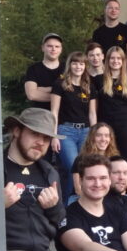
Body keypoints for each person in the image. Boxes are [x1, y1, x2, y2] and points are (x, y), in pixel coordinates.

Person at [3, 108, 77, 251]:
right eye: (35, 134)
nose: (40, 142)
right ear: (17, 131)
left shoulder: (49, 173)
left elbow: (61, 220)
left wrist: (53, 207)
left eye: (46, 138)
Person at [50, 51, 92, 201]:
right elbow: (54, 112)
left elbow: (92, 113)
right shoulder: (60, 84)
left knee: (84, 170)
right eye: (75, 63)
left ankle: (80, 205)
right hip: (65, 131)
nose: (78, 66)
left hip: (86, 131)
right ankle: (65, 208)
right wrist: (54, 136)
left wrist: (93, 135)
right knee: (72, 167)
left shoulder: (88, 86)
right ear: (70, 65)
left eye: (81, 63)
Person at [89, 46, 127, 159]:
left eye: (119, 58)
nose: (115, 61)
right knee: (104, 159)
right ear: (107, 60)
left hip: (125, 127)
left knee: (125, 159)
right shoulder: (98, 80)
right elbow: (93, 110)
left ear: (123, 61)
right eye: (112, 58)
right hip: (104, 127)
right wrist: (94, 130)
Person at [23, 33, 63, 110]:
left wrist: (43, 89)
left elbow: (73, 92)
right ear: (42, 48)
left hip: (65, 117)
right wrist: (61, 94)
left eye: (57, 46)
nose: (53, 49)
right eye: (49, 46)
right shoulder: (33, 69)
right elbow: (32, 95)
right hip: (40, 116)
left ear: (61, 49)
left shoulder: (67, 68)